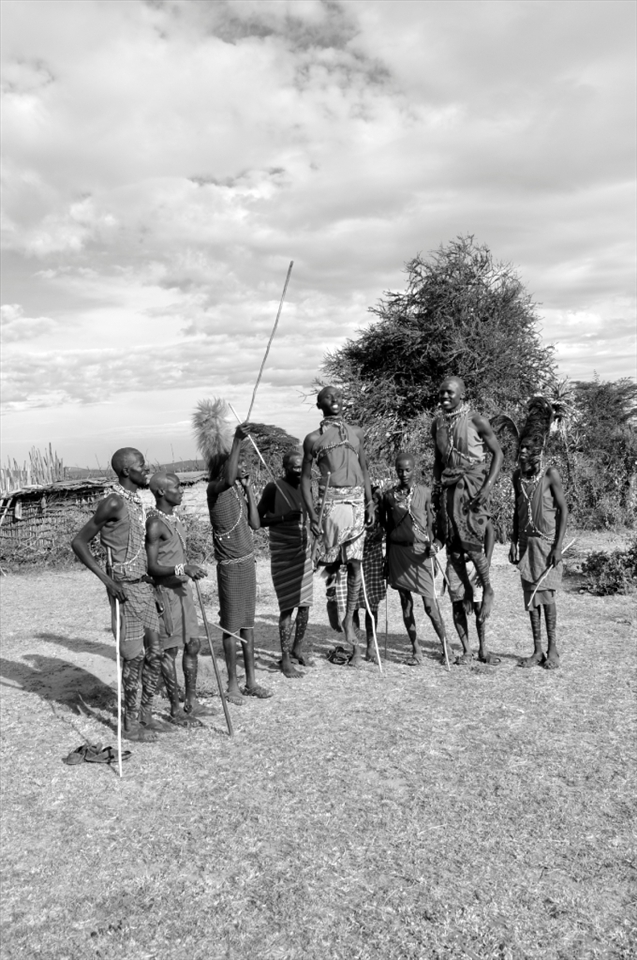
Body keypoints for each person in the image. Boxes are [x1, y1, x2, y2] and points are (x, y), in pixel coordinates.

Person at [71, 447, 170, 742]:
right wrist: (108, 581)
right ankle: (129, 724)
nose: (146, 467)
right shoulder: (113, 502)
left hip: (144, 586)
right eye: (141, 464)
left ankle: (146, 714)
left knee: (156, 653)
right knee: (133, 657)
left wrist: (154, 586)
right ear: (126, 470)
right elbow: (79, 543)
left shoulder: (137, 502)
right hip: (124, 589)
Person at [194, 399, 272, 705]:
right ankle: (232, 684)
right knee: (231, 625)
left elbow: (254, 524)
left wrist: (250, 489)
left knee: (248, 625)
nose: (240, 468)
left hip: (247, 563)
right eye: (235, 464)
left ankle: (251, 680)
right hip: (229, 566)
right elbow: (226, 478)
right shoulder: (215, 488)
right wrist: (238, 439)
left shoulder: (237, 489)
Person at [301, 385, 374, 667]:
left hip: (356, 502)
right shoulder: (313, 439)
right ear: (320, 405)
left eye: (339, 396)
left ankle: (348, 617)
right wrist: (311, 515)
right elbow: (305, 480)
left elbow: (365, 470)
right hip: (330, 504)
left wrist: (369, 503)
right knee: (330, 565)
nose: (335, 400)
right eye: (329, 398)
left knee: (355, 565)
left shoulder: (356, 433)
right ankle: (335, 601)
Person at [431, 376, 503, 664]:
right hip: (449, 491)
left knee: (473, 542)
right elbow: (439, 460)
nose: (445, 396)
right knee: (455, 553)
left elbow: (497, 453)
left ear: (462, 394)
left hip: (473, 489)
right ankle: (466, 649)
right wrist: (437, 490)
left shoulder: (476, 420)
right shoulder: (437, 424)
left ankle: (488, 588)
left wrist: (486, 487)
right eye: (442, 392)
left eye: (450, 392)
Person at [145, 472, 217, 724]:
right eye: (177, 487)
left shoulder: (174, 519)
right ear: (162, 492)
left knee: (193, 644)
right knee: (169, 650)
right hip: (165, 594)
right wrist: (181, 569)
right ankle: (175, 708)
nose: (181, 490)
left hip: (182, 590)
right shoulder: (154, 524)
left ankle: (191, 701)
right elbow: (151, 568)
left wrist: (186, 569)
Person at [509, 398, 568, 670]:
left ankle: (553, 649)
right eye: (520, 449)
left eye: (526, 450)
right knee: (530, 598)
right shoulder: (517, 477)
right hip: (526, 545)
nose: (521, 454)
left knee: (547, 597)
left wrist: (557, 547)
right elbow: (516, 510)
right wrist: (513, 541)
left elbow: (563, 511)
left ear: (537, 452)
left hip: (547, 545)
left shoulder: (550, 475)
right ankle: (536, 650)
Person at [380, 453, 450, 665]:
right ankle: (416, 650)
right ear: (395, 470)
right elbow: (387, 528)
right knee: (406, 604)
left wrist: (435, 545)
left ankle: (446, 647)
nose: (403, 474)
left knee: (430, 605)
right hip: (398, 554)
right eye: (400, 470)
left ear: (414, 469)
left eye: (407, 470)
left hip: (421, 554)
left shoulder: (425, 493)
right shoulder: (389, 496)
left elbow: (435, 526)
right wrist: (386, 560)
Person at [257, 449, 314, 678]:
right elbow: (257, 520)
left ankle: (297, 648)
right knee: (287, 607)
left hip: (304, 551)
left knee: (305, 605)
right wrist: (282, 518)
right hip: (283, 554)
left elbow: (313, 515)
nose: (299, 471)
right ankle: (284, 658)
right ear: (285, 467)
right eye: (295, 467)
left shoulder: (307, 486)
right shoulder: (274, 488)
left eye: (302, 466)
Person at [329, 485, 386, 663]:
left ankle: (371, 647)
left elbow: (384, 526)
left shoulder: (377, 498)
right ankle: (356, 650)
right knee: (351, 605)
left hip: (371, 557)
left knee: (372, 605)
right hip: (351, 557)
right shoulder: (346, 497)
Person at [446, 519, 496, 664]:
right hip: (454, 562)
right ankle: (467, 650)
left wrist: (486, 561)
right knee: (457, 606)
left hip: (475, 562)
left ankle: (482, 649)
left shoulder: (474, 498)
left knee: (479, 606)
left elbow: (490, 530)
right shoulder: (446, 499)